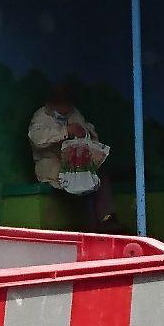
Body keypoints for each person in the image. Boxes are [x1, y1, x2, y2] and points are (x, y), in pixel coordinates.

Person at [27, 84, 117, 227]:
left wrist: (85, 134)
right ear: (52, 103)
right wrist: (66, 131)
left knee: (98, 176)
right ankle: (88, 226)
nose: (66, 109)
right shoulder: (41, 116)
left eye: (68, 104)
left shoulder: (74, 113)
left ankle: (106, 219)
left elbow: (89, 134)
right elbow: (37, 138)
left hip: (77, 162)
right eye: (62, 104)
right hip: (51, 166)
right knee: (77, 181)